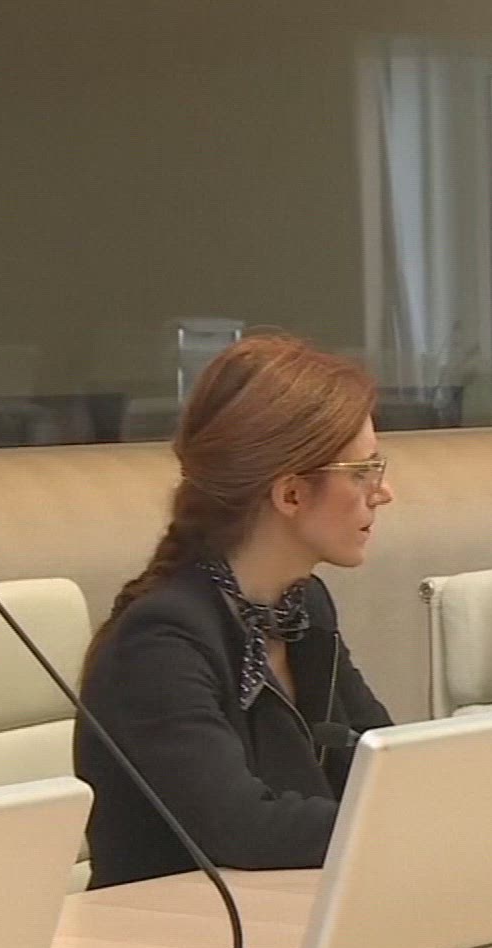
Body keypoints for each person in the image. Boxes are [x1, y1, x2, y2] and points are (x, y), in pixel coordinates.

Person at [78, 335, 395, 888]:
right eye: (362, 471)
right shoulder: (159, 642)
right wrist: (406, 821)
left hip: (292, 905)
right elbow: (241, 827)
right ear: (290, 494)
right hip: (173, 928)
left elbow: (382, 762)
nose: (384, 491)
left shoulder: (302, 604)